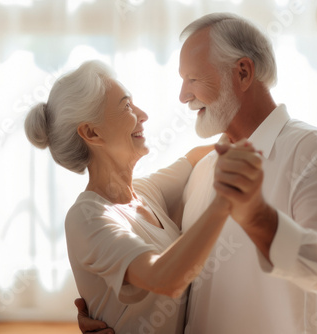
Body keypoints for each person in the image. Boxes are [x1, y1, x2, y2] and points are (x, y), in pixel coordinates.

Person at [77, 12, 317, 334]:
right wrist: (110, 316)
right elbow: (166, 266)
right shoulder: (204, 169)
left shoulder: (313, 152)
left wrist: (258, 218)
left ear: (242, 73)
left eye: (193, 79)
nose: (183, 96)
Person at [24, 60, 263, 333]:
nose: (143, 114)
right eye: (126, 106)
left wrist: (242, 125)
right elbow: (165, 278)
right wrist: (224, 201)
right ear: (92, 132)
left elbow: (196, 157)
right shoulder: (86, 218)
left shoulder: (147, 193)